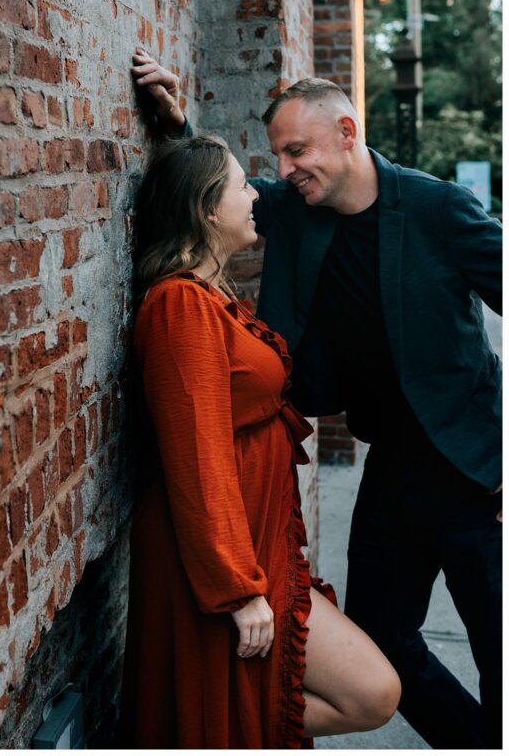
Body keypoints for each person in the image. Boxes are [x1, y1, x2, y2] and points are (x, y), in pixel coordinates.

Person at [131, 48, 502, 750]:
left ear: (348, 133)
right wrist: (177, 124)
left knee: (500, 651)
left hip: (476, 467)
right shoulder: (298, 208)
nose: (285, 168)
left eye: (298, 150)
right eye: (278, 155)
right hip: (390, 468)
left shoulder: (439, 208)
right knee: (386, 642)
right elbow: (210, 197)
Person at [120, 134, 400, 749]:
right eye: (242, 184)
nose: (256, 195)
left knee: (348, 694)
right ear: (205, 207)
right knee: (367, 692)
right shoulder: (178, 307)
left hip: (257, 536)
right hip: (219, 557)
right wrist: (237, 590)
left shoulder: (212, 297)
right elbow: (197, 456)